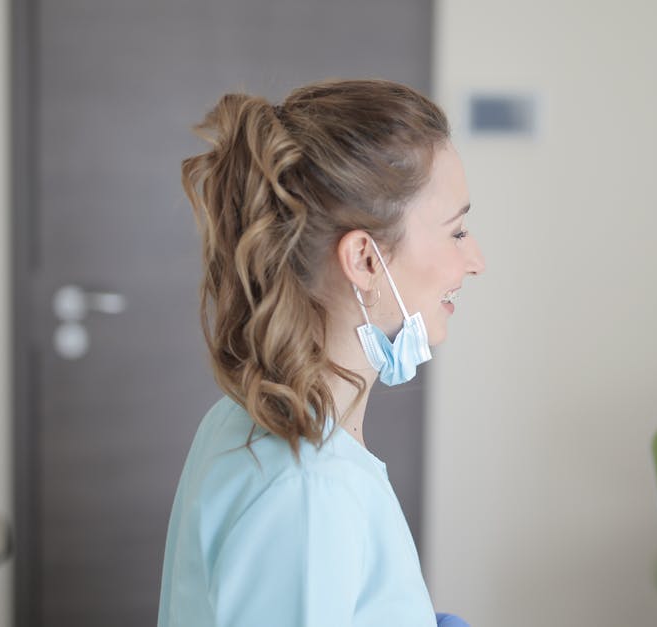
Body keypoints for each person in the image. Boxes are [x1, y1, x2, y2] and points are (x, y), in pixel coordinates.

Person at [157, 79, 485, 627]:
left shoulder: (242, 420)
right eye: (457, 232)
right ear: (364, 260)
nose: (475, 261)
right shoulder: (308, 491)